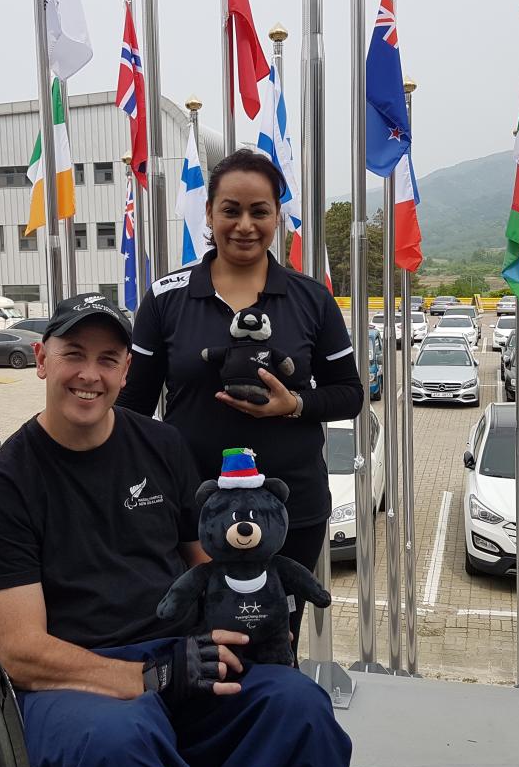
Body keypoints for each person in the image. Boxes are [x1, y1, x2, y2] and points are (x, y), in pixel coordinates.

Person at [0, 292, 352, 767]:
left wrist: (251, 617)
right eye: (74, 354)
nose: (90, 375)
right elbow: (20, 652)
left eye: (108, 360)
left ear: (126, 372)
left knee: (299, 707)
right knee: (121, 743)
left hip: (178, 658)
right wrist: (146, 679)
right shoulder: (4, 484)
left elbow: (206, 565)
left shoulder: (162, 445)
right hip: (69, 682)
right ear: (42, 359)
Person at [118, 149, 365, 648]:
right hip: (190, 509)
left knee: (276, 637)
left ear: (278, 215)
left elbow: (350, 395)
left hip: (288, 509)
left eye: (260, 211)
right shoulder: (166, 298)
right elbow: (133, 408)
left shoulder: (311, 298)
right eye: (231, 210)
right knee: (196, 637)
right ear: (208, 213)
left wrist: (293, 405)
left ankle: (273, 718)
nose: (245, 225)